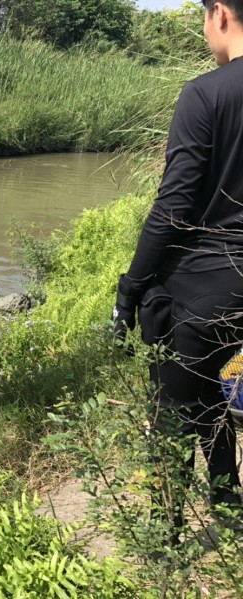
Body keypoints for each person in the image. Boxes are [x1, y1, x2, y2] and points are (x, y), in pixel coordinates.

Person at [112, 0, 243, 536]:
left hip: (200, 288)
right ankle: (229, 509)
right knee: (210, 393)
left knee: (170, 412)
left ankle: (163, 541)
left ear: (220, 13)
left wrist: (130, 289)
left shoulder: (206, 93)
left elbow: (173, 207)